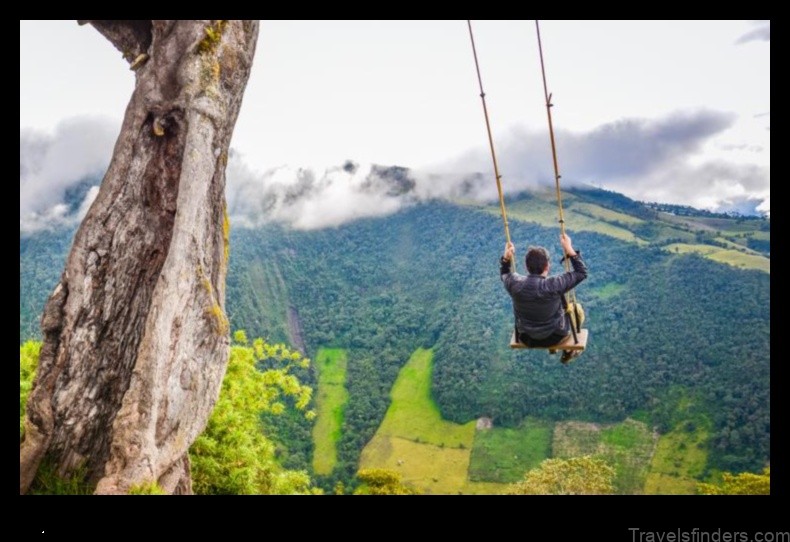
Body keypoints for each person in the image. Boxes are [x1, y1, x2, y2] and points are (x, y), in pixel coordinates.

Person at [500, 233, 588, 363]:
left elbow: (504, 273)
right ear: (548, 266)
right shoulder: (554, 284)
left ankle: (561, 349)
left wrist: (506, 258)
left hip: (526, 337)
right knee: (576, 309)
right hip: (555, 336)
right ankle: (569, 350)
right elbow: (581, 272)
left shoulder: (514, 284)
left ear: (526, 266)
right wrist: (569, 248)